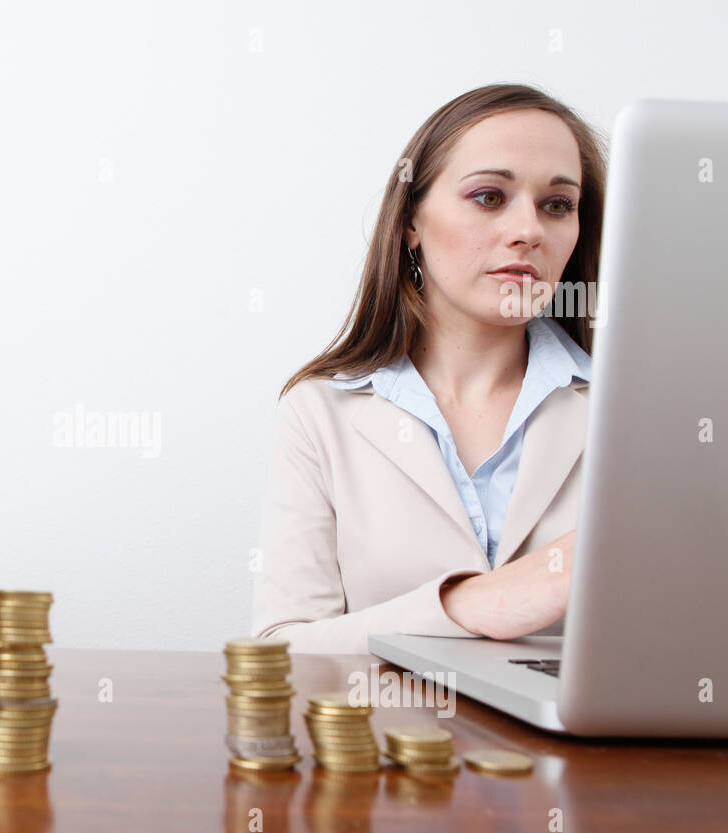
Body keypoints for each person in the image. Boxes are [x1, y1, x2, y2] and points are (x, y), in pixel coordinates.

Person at [251, 84, 606, 654]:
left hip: (583, 745)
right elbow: (282, 650)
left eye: (557, 205)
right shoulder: (321, 412)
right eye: (490, 197)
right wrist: (471, 604)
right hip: (388, 740)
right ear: (412, 221)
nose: (531, 230)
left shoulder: (636, 415)